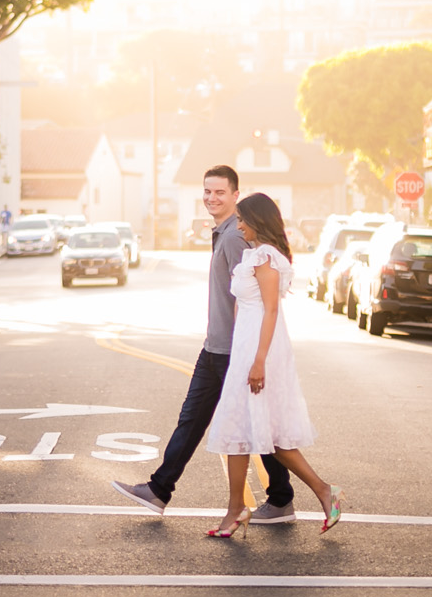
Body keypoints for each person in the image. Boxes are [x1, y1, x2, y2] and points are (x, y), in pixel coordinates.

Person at [110, 165, 299, 522]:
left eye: (220, 193)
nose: (212, 198)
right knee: (200, 420)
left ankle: (285, 496)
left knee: (244, 426)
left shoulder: (233, 237)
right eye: (207, 192)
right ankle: (162, 488)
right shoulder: (228, 233)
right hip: (219, 346)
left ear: (235, 196)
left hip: (230, 350)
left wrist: (252, 355)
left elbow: (253, 299)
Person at [202, 192, 345, 537]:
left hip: (261, 349)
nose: (238, 225)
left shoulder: (265, 257)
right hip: (245, 348)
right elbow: (242, 305)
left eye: (242, 220)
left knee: (269, 433)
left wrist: (259, 361)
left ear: (257, 221)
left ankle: (324, 490)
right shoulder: (251, 255)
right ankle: (237, 507)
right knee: (242, 429)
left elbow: (270, 310)